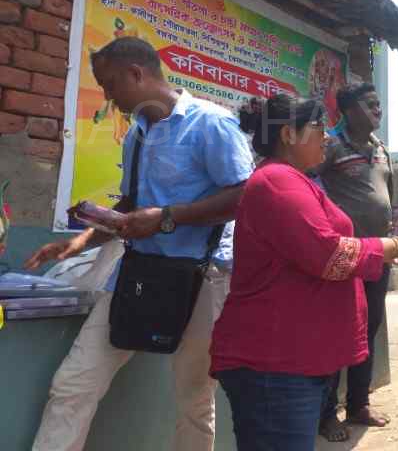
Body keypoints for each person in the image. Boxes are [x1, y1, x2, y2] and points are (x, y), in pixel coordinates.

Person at [25, 36, 255, 451]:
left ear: (137, 74)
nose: (109, 97)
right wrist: (80, 241)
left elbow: (244, 196)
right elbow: (130, 205)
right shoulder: (138, 134)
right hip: (140, 273)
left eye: (111, 85)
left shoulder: (211, 124)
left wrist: (166, 218)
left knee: (194, 400)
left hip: (204, 278)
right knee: (74, 382)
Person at [210, 93, 398, 451]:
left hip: (294, 360)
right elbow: (330, 255)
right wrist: (395, 246)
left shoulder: (296, 180)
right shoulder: (275, 182)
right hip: (275, 363)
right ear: (288, 134)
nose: (326, 137)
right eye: (318, 127)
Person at [313, 83, 394, 441]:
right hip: (344, 256)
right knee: (336, 332)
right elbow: (309, 189)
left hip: (377, 254)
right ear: (347, 109)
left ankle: (358, 404)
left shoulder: (380, 148)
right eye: (370, 104)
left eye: (379, 104)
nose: (378, 109)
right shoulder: (329, 145)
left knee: (368, 328)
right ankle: (326, 414)